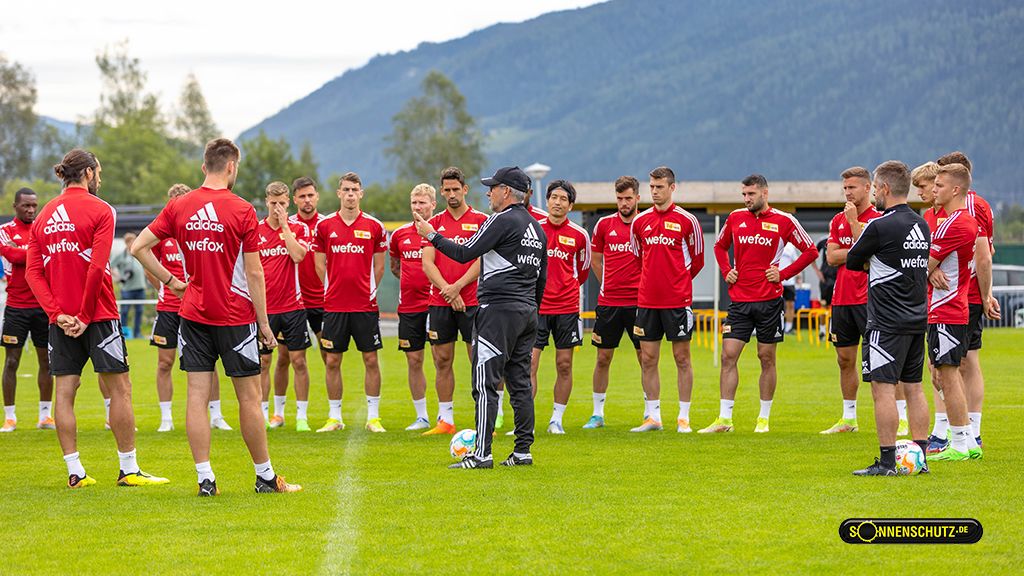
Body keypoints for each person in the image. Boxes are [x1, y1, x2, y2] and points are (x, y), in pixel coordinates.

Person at [133, 138, 300, 496]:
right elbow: (254, 274)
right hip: (236, 316)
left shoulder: (179, 205)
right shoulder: (240, 209)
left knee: (197, 396)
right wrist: (266, 325)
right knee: (249, 398)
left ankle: (205, 479)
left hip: (193, 314)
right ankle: (266, 477)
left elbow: (138, 247)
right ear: (231, 167)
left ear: (203, 167)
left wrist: (172, 282)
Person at [25, 148, 168, 488]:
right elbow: (97, 267)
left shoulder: (43, 215)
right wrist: (85, 316)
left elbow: (33, 274)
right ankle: (129, 469)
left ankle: (75, 472)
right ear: (88, 173)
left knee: (64, 392)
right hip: (98, 315)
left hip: (60, 321)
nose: (100, 178)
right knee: (121, 389)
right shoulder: (102, 209)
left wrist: (57, 315)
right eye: (98, 172)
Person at [413, 166, 547, 469]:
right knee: (520, 383)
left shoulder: (501, 220)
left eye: (493, 187)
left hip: (498, 312)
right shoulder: (537, 228)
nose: (488, 192)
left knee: (484, 382)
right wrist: (529, 310)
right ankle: (522, 451)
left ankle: (481, 454)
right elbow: (542, 278)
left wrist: (431, 235)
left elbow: (465, 253)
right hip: (527, 312)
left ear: (506, 192)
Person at [701, 174, 816, 433]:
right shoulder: (735, 218)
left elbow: (811, 251)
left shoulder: (785, 221)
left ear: (765, 193)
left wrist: (783, 274)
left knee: (766, 358)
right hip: (740, 301)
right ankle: (725, 419)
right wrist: (726, 269)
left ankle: (763, 419)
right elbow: (719, 247)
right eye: (743, 194)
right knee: (728, 355)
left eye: (751, 194)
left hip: (769, 301)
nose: (746, 199)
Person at [846, 160, 931, 476]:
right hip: (916, 318)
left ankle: (886, 462)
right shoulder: (921, 224)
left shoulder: (880, 226)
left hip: (886, 322)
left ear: (881, 189)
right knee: (914, 388)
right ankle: (919, 459)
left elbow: (854, 260)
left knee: (882, 389)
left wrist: (871, 261)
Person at [145, 183, 230, 432]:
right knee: (164, 362)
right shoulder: (160, 232)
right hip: (169, 308)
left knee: (208, 361)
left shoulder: (199, 229)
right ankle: (166, 418)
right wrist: (166, 286)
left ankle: (216, 415)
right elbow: (148, 263)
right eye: (175, 201)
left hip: (197, 306)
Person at [930, 151, 998, 453]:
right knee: (949, 371)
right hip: (955, 305)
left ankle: (959, 440)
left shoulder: (957, 222)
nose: (933, 189)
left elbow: (921, 263)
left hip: (948, 307)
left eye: (939, 184)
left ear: (956, 188)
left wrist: (927, 271)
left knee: (948, 373)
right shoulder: (966, 219)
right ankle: (967, 438)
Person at [629, 167, 705, 433]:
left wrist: (677, 283)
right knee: (648, 358)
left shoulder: (687, 221)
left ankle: (683, 417)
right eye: (651, 186)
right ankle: (653, 416)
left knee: (681, 357)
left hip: (677, 301)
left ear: (672, 188)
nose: (654, 191)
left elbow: (697, 261)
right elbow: (639, 258)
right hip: (647, 301)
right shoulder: (640, 222)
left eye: (659, 187)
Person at [312, 172, 388, 433]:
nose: (350, 194)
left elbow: (379, 267)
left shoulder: (374, 226)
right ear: (338, 193)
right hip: (334, 306)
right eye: (346, 190)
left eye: (355, 189)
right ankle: (334, 417)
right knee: (332, 361)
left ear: (361, 193)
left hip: (364, 307)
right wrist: (333, 287)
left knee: (370, 359)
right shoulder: (324, 227)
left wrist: (367, 291)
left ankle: (374, 417)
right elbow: (318, 264)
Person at [420, 167, 490, 435]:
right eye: (446, 190)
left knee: (480, 360)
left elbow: (483, 260)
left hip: (473, 301)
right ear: (441, 192)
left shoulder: (482, 220)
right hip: (440, 302)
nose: (451, 194)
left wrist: (459, 287)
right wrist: (448, 291)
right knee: (442, 360)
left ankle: (486, 417)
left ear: (465, 189)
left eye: (455, 189)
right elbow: (427, 263)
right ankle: (446, 420)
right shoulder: (433, 224)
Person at [820, 167, 882, 434]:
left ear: (868, 188)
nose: (847, 193)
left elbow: (874, 256)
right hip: (842, 298)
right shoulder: (838, 219)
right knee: (844, 360)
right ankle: (849, 418)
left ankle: (901, 416)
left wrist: (856, 227)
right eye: (844, 188)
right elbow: (831, 258)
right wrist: (858, 253)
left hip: (870, 298)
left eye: (852, 188)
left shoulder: (879, 219)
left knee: (882, 360)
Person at [532, 180, 591, 434]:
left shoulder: (579, 234)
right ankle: (527, 420)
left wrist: (565, 288)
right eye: (553, 197)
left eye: (563, 199)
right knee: (528, 364)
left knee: (564, 364)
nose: (557, 202)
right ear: (547, 201)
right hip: (536, 308)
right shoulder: (534, 229)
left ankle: (556, 419)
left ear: (570, 205)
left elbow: (584, 270)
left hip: (566, 309)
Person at [585, 176, 643, 429]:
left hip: (640, 304)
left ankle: (651, 412)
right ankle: (598, 414)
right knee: (602, 358)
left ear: (638, 198)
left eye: (628, 198)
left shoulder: (646, 224)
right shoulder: (604, 224)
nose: (623, 203)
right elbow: (595, 260)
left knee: (646, 358)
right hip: (609, 303)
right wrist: (607, 283)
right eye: (619, 199)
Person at [256, 181, 311, 431]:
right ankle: (267, 415)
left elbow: (299, 256)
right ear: (266, 201)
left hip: (293, 306)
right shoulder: (255, 231)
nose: (277, 207)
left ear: (288, 202)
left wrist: (285, 226)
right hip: (264, 308)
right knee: (264, 362)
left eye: (282, 203)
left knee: (298, 360)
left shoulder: (298, 228)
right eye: (273, 203)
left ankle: (301, 416)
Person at [0, 188, 54, 431]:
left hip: (43, 306)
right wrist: (30, 253)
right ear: (15, 206)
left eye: (34, 205)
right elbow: (10, 254)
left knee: (47, 361)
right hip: (16, 307)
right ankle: (10, 416)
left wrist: (21, 252)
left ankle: (45, 416)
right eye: (26, 206)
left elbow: (45, 257)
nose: (31, 210)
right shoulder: (4, 231)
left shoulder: (43, 228)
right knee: (11, 361)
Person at [388, 184, 436, 430]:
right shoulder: (399, 235)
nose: (417, 207)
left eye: (422, 203)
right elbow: (395, 266)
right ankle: (422, 416)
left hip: (437, 305)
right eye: (414, 203)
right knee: (414, 360)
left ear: (433, 205)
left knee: (442, 360)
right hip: (408, 307)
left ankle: (445, 415)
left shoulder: (440, 232)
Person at [288, 176, 328, 367]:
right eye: (302, 196)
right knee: (287, 359)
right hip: (292, 303)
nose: (307, 200)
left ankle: (334, 399)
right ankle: (280, 399)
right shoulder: (286, 226)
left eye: (310, 195)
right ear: (294, 199)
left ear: (317, 197)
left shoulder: (327, 225)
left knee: (330, 357)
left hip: (321, 301)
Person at [110, 232, 147, 338]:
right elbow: (110, 266)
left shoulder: (139, 253)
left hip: (140, 287)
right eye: (131, 242)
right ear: (126, 243)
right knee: (125, 312)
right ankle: (124, 333)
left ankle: (137, 333)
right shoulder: (121, 255)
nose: (133, 243)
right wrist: (119, 277)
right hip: (127, 289)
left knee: (139, 312)